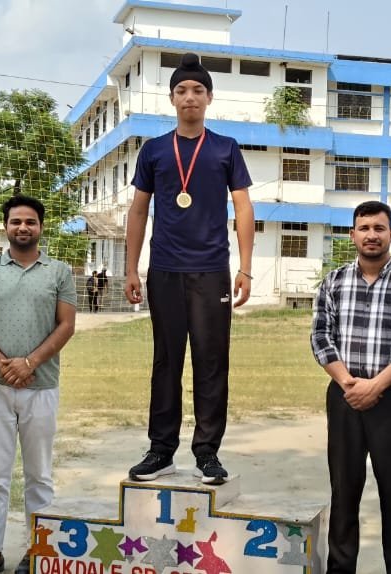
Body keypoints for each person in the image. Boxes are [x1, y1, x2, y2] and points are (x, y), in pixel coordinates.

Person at [124, 52, 255, 485]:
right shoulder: (154, 150)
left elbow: (243, 207)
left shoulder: (225, 148)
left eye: (198, 90)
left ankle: (207, 453)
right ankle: (161, 450)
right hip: (164, 269)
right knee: (166, 360)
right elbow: (138, 211)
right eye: (181, 90)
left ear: (209, 98)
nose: (190, 97)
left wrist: (245, 268)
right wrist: (131, 268)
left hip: (211, 270)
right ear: (172, 99)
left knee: (211, 361)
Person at [310, 200, 391, 574]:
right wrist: (348, 382)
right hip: (344, 395)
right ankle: (341, 568)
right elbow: (320, 336)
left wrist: (376, 385)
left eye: (379, 228)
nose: (372, 235)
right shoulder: (334, 282)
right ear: (353, 235)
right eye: (364, 228)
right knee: (344, 491)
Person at [0, 195, 77, 574]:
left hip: (42, 386)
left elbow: (66, 325)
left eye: (30, 221)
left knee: (39, 475)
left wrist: (30, 363)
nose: (23, 227)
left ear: (41, 227)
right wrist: (4, 365)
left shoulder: (59, 271)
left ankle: (38, 550)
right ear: (5, 226)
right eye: (16, 221)